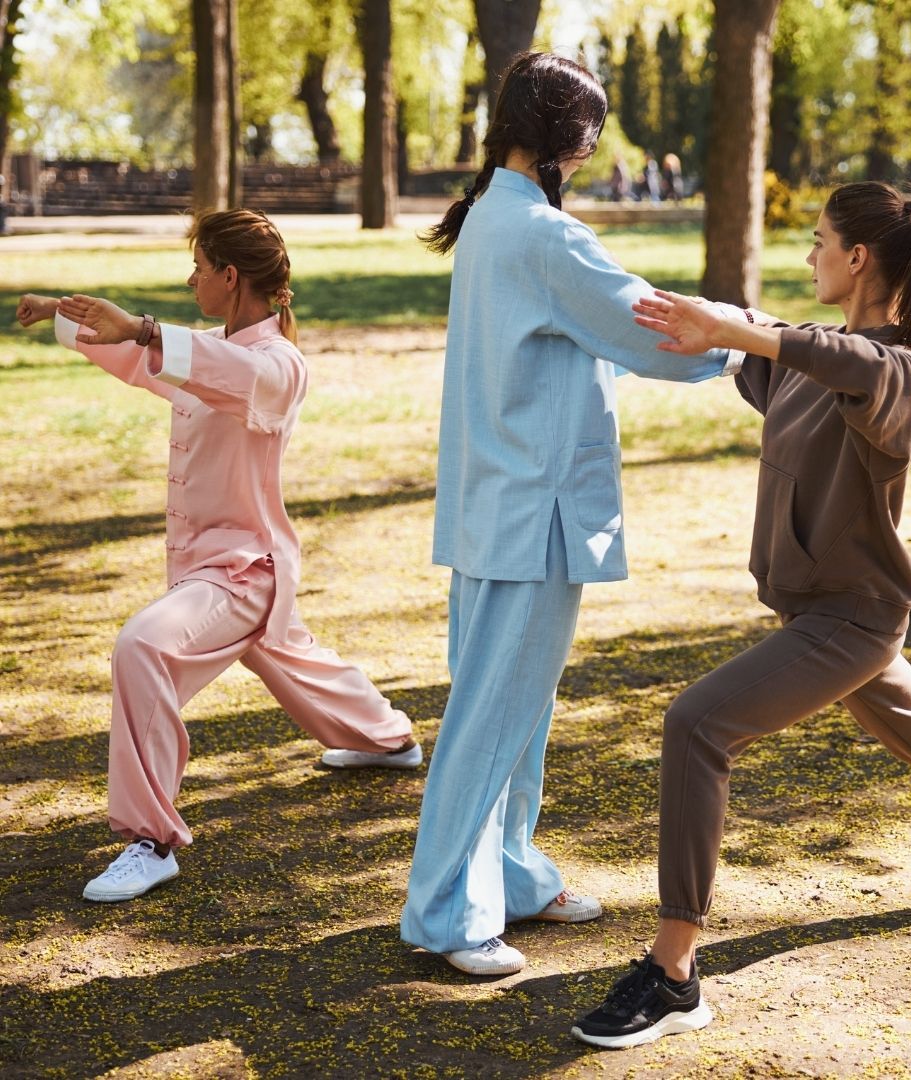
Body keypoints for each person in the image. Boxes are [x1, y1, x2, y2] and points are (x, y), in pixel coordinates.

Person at [571, 180, 911, 1048]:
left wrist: (738, 327)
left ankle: (673, 970)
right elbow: (783, 361)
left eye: (817, 240)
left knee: (696, 726)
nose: (808, 254)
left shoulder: (904, 374)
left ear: (857, 257)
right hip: (823, 611)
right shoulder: (818, 357)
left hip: (851, 618)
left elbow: (851, 366)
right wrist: (665, 318)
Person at [401, 52, 738, 978]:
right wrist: (750, 344)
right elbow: (643, 324)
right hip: (528, 508)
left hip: (498, 500)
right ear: (570, 139)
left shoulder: (489, 223)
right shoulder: (542, 236)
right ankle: (445, 913)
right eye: (590, 133)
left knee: (517, 711)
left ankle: (510, 875)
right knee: (491, 715)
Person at [17, 208, 419, 904]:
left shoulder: (277, 366)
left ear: (231, 278)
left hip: (244, 573)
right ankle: (389, 739)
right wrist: (66, 315)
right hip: (216, 573)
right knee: (296, 661)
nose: (191, 279)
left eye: (200, 268)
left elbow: (215, 367)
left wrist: (143, 327)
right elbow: (147, 361)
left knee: (143, 646)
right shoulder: (203, 350)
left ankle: (151, 839)